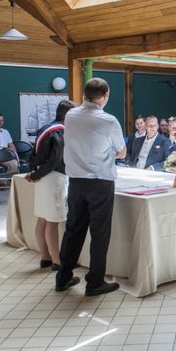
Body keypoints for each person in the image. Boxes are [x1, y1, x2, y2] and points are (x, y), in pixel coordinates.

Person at [56, 78, 126, 297]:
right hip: (100, 182)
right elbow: (122, 152)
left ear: (85, 95)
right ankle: (95, 282)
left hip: (76, 182)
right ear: (105, 95)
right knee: (99, 233)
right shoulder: (108, 120)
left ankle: (63, 277)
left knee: (73, 230)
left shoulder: (71, 115)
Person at [25, 100, 76, 271]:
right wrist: (34, 176)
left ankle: (45, 257)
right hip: (53, 178)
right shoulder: (60, 132)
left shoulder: (45, 128)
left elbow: (32, 155)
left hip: (42, 178)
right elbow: (55, 161)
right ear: (67, 115)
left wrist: (34, 174)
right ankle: (57, 261)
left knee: (42, 219)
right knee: (52, 222)